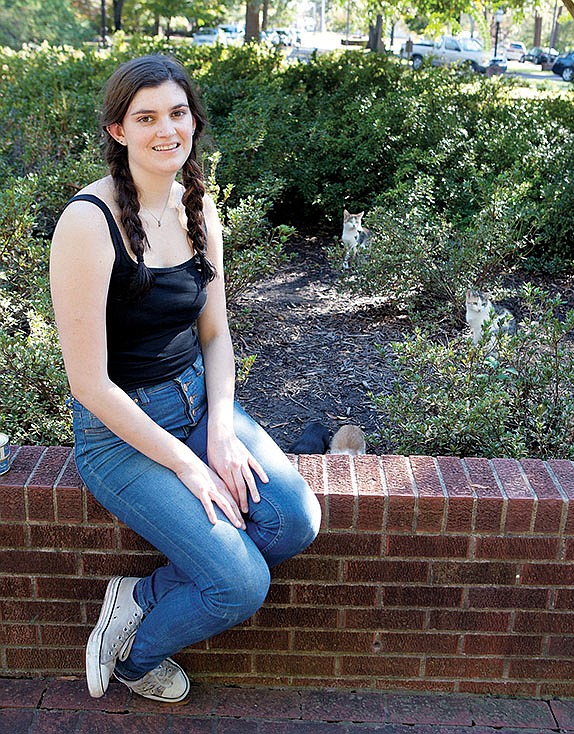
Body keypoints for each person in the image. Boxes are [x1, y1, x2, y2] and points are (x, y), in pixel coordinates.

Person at [49, 54, 321, 704]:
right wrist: (191, 467)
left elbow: (216, 334)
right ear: (118, 130)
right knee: (238, 582)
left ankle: (139, 596)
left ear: (193, 119)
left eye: (177, 112)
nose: (166, 129)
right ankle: (136, 658)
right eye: (146, 117)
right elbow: (89, 384)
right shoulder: (88, 224)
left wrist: (220, 434)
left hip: (199, 406)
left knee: (293, 522)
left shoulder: (196, 204)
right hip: (121, 438)